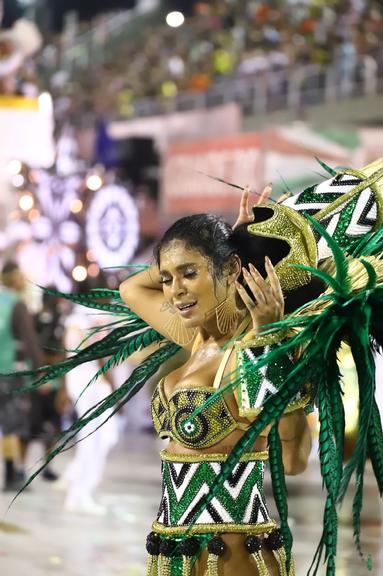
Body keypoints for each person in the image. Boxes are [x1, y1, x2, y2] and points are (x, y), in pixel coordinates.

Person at [5, 158, 383, 576]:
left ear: (231, 271)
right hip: (175, 555)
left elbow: (293, 460)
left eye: (189, 273)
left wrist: (268, 338)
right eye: (168, 278)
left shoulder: (253, 349)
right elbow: (133, 287)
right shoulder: (194, 338)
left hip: (236, 558)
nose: (175, 290)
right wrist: (221, 249)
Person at [0, 261, 43, 491]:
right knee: (11, 425)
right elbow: (29, 341)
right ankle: (11, 474)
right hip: (8, 372)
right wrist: (39, 370)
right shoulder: (17, 304)